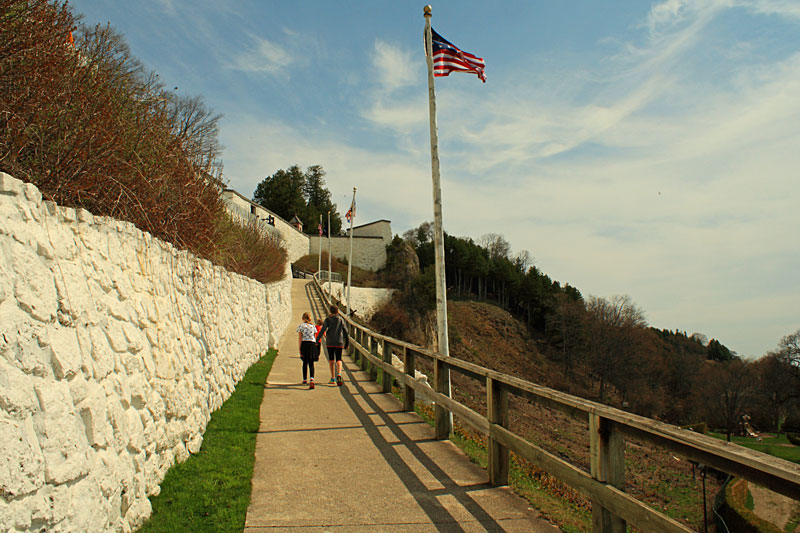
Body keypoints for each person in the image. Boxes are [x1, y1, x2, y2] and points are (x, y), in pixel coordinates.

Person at [316, 305, 349, 386]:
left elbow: (322, 330)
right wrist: (347, 342)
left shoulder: (328, 319)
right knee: (339, 359)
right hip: (339, 342)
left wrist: (317, 340)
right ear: (337, 311)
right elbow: (345, 331)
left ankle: (333, 378)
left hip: (330, 342)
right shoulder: (340, 319)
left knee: (331, 359)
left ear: (330, 311)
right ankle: (339, 374)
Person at [296, 312, 317, 389]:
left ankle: (304, 379)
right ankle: (312, 378)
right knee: (311, 363)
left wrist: (300, 348)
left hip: (305, 344)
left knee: (305, 362)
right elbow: (314, 337)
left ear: (303, 318)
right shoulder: (312, 326)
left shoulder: (301, 326)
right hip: (312, 344)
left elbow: (300, 338)